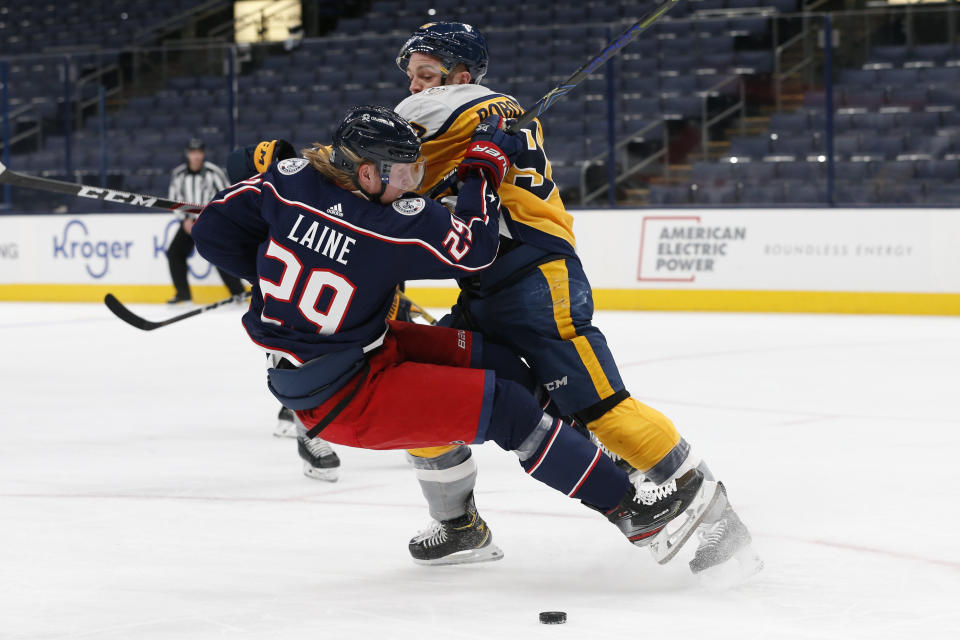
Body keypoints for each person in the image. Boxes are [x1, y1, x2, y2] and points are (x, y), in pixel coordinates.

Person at [191, 105, 721, 566]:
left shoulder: (289, 178)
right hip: (343, 396)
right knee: (511, 408)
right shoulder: (391, 222)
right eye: (404, 171)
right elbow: (475, 248)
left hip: (353, 354)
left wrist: (279, 267)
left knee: (505, 365)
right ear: (368, 172)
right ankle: (630, 512)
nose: (414, 181)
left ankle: (568, 475)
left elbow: (212, 230)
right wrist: (482, 168)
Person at [392, 22, 760, 576]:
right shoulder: (479, 117)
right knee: (422, 390)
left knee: (601, 408)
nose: (417, 87)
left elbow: (378, 163)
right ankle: (459, 525)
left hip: (538, 278)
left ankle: (717, 516)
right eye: (412, 77)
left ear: (459, 77)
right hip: (487, 287)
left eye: (427, 75)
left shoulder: (462, 108)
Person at [225, 138, 342, 481]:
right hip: (294, 294)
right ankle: (309, 431)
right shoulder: (258, 199)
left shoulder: (315, 184)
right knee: (290, 346)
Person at [165, 137, 247, 304]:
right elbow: (174, 199)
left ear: (203, 154)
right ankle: (183, 294)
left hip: (209, 223)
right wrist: (185, 220)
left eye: (199, 152)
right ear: (188, 154)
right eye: (193, 152)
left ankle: (238, 292)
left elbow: (226, 195)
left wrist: (213, 217)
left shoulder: (213, 172)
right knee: (174, 253)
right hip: (188, 224)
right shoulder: (179, 174)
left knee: (218, 254)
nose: (196, 156)